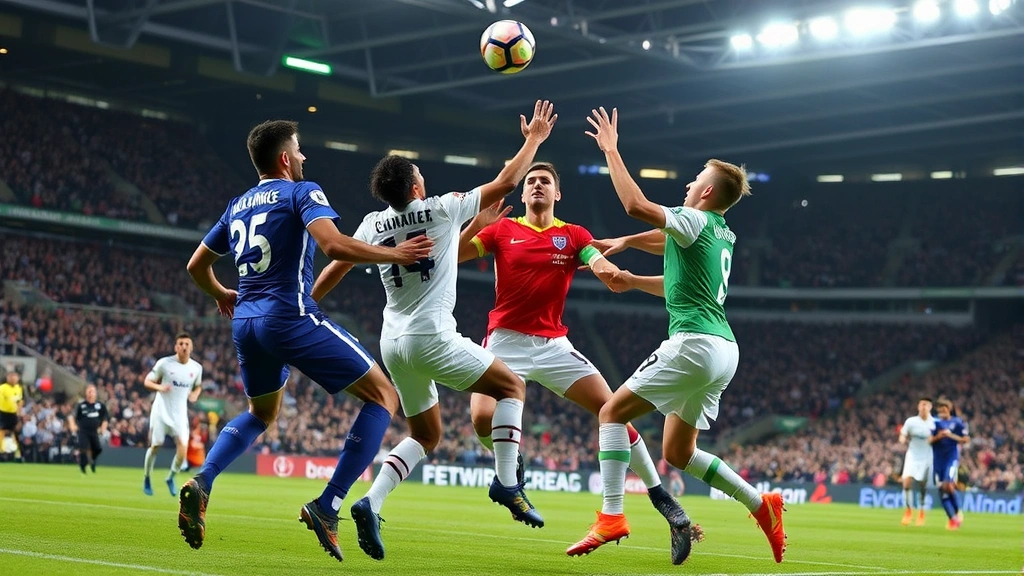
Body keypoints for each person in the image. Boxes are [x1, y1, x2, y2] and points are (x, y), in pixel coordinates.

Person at [311, 100, 557, 562]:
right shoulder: (444, 209)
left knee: (426, 434)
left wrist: (310, 302)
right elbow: (506, 182)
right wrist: (534, 140)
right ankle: (507, 482)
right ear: (418, 185)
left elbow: (340, 262)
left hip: (394, 344)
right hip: (432, 337)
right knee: (511, 386)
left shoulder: (372, 224)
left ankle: (371, 502)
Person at [180, 119, 433, 562]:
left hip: (246, 324)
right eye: (298, 151)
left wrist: (222, 294)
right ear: (283, 158)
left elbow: (196, 265)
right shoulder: (301, 191)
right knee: (382, 396)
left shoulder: (237, 204)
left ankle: (203, 481)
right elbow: (334, 245)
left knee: (262, 412)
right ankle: (328, 504)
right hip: (289, 316)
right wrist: (396, 253)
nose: (303, 158)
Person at [566, 107, 785, 565]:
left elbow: (637, 205)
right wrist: (628, 264)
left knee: (610, 413)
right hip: (724, 350)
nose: (686, 186)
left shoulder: (694, 218)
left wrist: (611, 150)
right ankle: (760, 504)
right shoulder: (721, 231)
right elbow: (672, 270)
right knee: (678, 452)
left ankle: (611, 515)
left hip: (694, 345)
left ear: (705, 192)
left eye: (692, 181)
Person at [455, 161, 698, 560]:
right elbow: (454, 254)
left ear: (557, 193)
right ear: (522, 192)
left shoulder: (573, 235)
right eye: (531, 181)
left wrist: (608, 270)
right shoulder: (502, 230)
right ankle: (511, 464)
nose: (536, 185)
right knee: (481, 419)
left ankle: (661, 497)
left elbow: (596, 260)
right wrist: (475, 223)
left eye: (544, 181)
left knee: (613, 410)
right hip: (504, 343)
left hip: (554, 346)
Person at [143, 332, 203, 497]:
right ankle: (147, 477)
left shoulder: (196, 368)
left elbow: (198, 386)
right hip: (161, 411)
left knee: (182, 451)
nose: (184, 347)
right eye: (181, 344)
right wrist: (160, 388)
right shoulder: (164, 364)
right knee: (155, 446)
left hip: (180, 414)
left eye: (187, 344)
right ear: (176, 347)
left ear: (191, 347)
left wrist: (195, 394)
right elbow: (147, 381)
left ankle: (170, 477)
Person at [930, 398, 970, 530]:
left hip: (951, 457)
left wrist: (950, 435)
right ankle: (952, 519)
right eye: (939, 409)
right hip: (937, 459)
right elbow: (928, 441)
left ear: (949, 409)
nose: (941, 411)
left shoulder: (957, 422)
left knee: (948, 484)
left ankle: (958, 511)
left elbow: (965, 440)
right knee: (942, 489)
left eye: (944, 409)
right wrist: (938, 437)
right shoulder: (934, 422)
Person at [898, 396, 934, 526]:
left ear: (930, 407)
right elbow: (903, 433)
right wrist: (902, 438)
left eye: (926, 404)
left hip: (926, 457)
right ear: (918, 406)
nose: (923, 407)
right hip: (912, 455)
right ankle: (908, 510)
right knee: (906, 481)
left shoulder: (934, 423)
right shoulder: (911, 421)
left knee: (922, 485)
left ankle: (922, 511)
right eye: (921, 404)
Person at [68, 384, 109, 474]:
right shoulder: (81, 404)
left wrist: (103, 429)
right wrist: (73, 426)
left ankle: (93, 462)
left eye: (92, 391)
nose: (91, 393)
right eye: (89, 391)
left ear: (95, 393)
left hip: (95, 431)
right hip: (83, 430)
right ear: (86, 393)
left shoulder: (100, 405)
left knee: (97, 448)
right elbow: (72, 416)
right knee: (83, 447)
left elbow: (105, 418)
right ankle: (83, 465)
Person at [0, 370, 24, 462]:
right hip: (3, 413)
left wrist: (19, 411)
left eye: (15, 376)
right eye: (11, 376)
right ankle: (1, 452)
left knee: (15, 433)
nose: (13, 378)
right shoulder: (2, 388)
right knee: (2, 432)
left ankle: (17, 454)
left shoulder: (18, 388)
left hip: (13, 414)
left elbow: (20, 401)